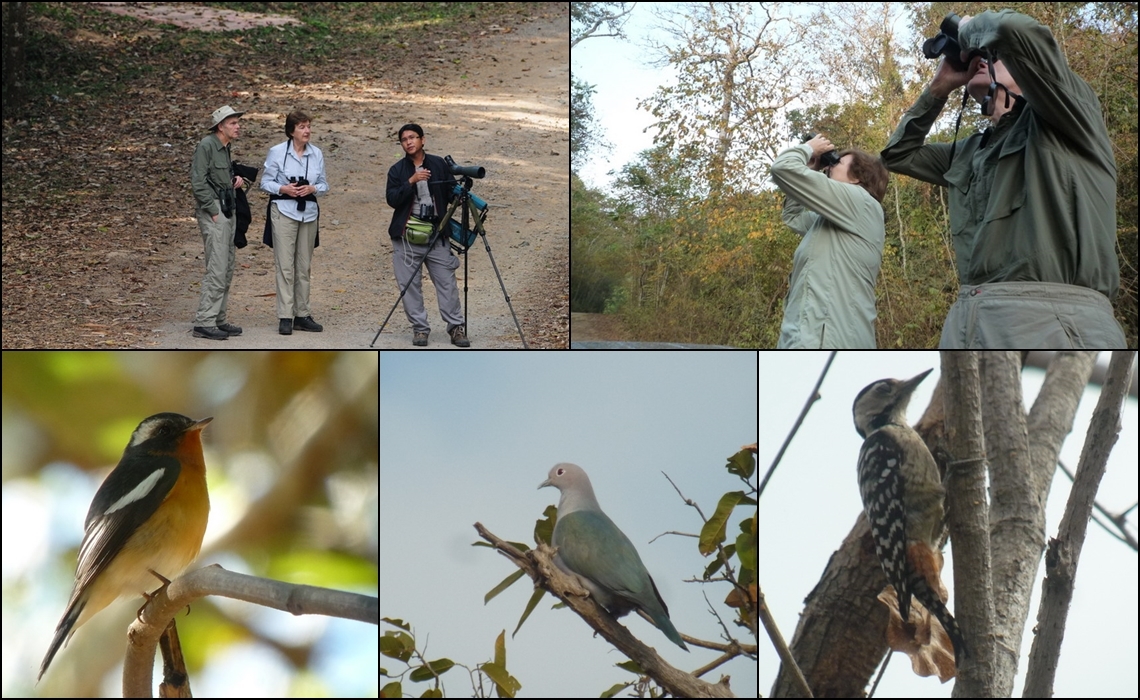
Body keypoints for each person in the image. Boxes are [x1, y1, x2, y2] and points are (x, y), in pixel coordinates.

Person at [881, 10, 1125, 348]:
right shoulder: (968, 151)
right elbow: (897, 155)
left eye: (994, 57)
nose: (982, 61)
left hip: (1054, 316)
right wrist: (938, 88)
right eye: (979, 59)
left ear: (1028, 72)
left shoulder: (1069, 116)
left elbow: (1012, 30)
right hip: (970, 316)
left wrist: (967, 31)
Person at [769, 135, 889, 348]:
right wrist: (813, 168)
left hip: (833, 337)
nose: (830, 167)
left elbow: (783, 168)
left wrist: (808, 148)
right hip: (804, 335)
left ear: (857, 178)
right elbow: (793, 217)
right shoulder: (831, 219)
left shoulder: (861, 203)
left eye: (838, 162)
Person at [385, 123, 470, 347]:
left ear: (423, 140)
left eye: (413, 137)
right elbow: (392, 199)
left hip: (436, 234)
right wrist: (411, 181)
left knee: (447, 283)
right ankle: (420, 330)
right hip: (406, 237)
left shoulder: (439, 164)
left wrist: (461, 196)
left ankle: (456, 328)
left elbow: (452, 192)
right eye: (404, 139)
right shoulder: (397, 170)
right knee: (408, 285)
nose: (409, 142)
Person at [260, 110, 329, 335]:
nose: (307, 130)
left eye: (308, 126)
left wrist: (313, 188)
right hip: (283, 210)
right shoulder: (277, 152)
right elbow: (265, 182)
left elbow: (325, 185)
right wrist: (284, 188)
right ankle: (285, 316)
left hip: (308, 213)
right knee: (285, 265)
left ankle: (303, 314)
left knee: (303, 266)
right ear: (291, 131)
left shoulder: (316, 153)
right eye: (301, 127)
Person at [189, 105, 245, 340]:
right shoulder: (207, 145)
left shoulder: (224, 147)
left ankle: (218, 319)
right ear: (220, 126)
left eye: (237, 122)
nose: (238, 126)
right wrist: (212, 211)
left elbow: (217, 178)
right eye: (232, 123)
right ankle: (204, 321)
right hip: (215, 212)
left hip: (226, 209)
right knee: (217, 267)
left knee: (227, 266)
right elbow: (197, 181)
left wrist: (237, 181)